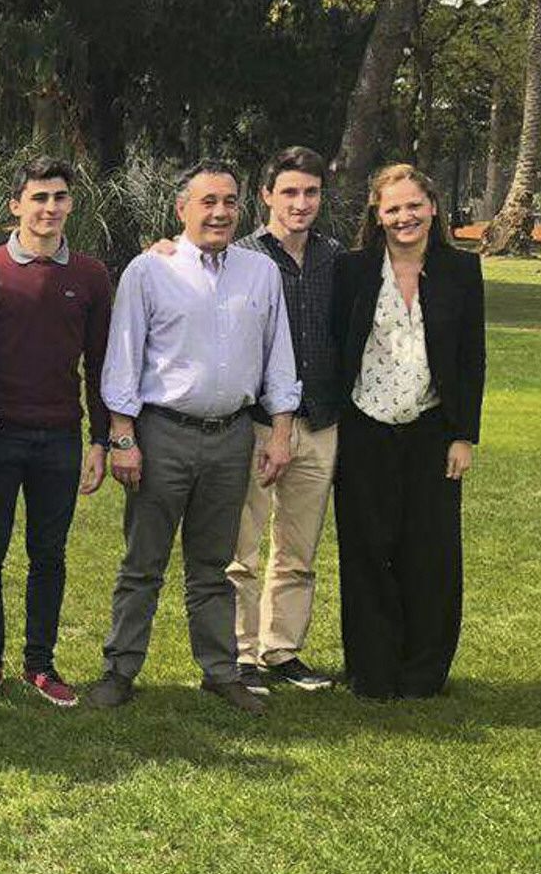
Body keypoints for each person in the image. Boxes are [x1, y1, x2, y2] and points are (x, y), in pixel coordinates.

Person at [86, 160, 298, 715]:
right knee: (143, 563)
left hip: (231, 437)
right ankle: (119, 670)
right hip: (163, 435)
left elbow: (279, 357)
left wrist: (280, 432)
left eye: (229, 201)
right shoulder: (149, 271)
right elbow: (122, 358)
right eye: (208, 202)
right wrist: (123, 438)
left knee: (213, 566)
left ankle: (220, 672)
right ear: (181, 208)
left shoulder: (260, 273)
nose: (220, 212)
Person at [0, 157, 113, 709]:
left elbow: (100, 365)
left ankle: (40, 664)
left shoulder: (91, 276)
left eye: (59, 197)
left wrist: (101, 440)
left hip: (61, 438)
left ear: (71, 204)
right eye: (39, 197)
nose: (50, 208)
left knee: (49, 554)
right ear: (15, 205)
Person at [331, 164, 484, 700]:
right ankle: (372, 671)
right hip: (363, 426)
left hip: (432, 430)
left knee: (431, 552)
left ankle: (423, 672)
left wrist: (464, 435)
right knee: (366, 549)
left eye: (413, 205)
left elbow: (471, 358)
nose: (404, 217)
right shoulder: (351, 270)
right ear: (378, 215)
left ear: (433, 207)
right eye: (392, 208)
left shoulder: (460, 270)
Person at [227, 148, 344, 695]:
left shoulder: (335, 259)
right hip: (255, 422)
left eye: (311, 192)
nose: (301, 203)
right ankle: (241, 654)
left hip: (320, 422)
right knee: (242, 549)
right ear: (267, 195)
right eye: (290, 192)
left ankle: (283, 650)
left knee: (299, 549)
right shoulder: (240, 258)